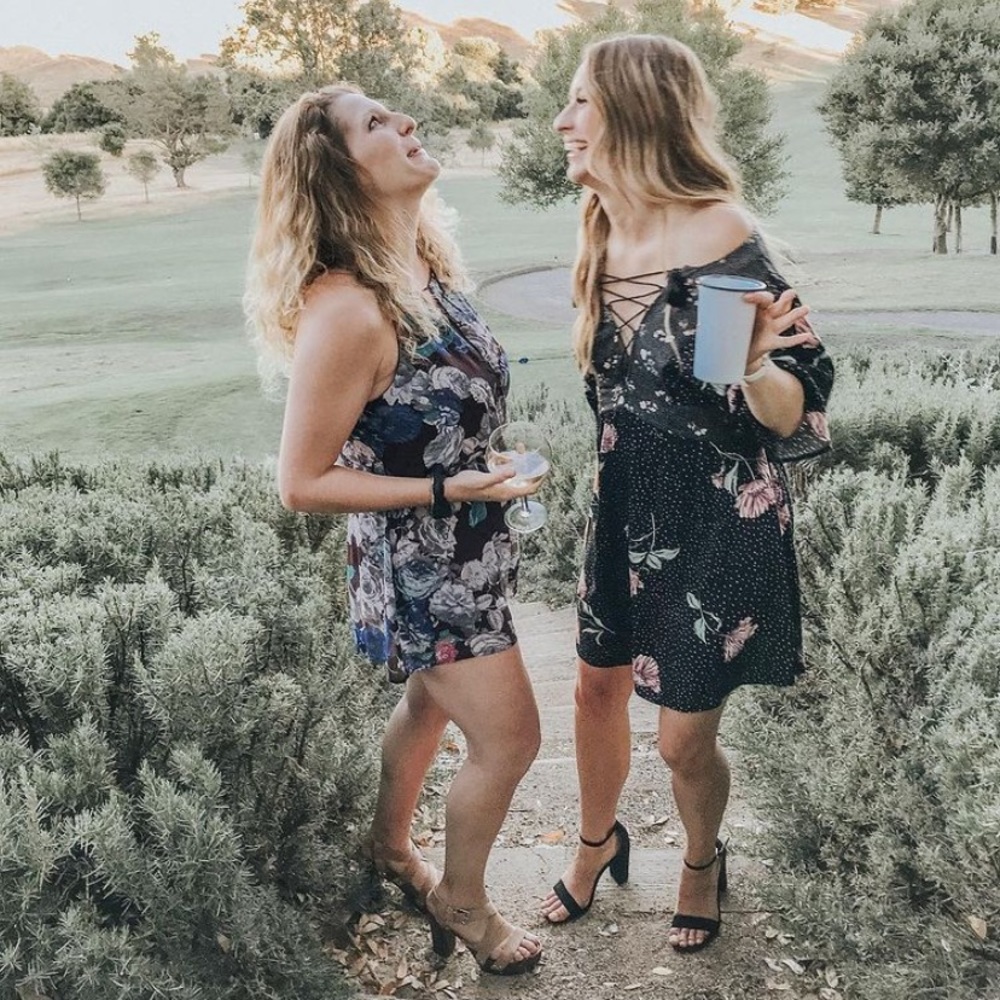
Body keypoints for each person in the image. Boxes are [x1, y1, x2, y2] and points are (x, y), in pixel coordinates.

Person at [541, 35, 834, 953]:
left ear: (635, 112)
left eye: (581, 102)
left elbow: (787, 416)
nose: (563, 122)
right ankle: (598, 842)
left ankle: (702, 859)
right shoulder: (602, 232)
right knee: (594, 693)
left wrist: (752, 367)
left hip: (714, 523)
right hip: (624, 512)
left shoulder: (719, 235)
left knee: (680, 742)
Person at [244, 85, 543, 976]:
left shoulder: (421, 268)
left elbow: (425, 419)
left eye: (397, 113)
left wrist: (483, 468)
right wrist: (453, 485)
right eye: (376, 123)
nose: (408, 122)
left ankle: (388, 849)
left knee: (426, 701)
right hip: (426, 569)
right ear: (337, 171)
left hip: (466, 550)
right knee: (512, 739)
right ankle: (463, 900)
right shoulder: (347, 308)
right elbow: (302, 482)